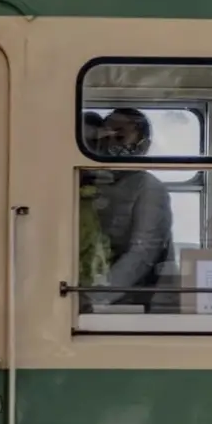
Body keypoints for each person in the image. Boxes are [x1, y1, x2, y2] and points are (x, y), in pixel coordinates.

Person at [78, 108, 173, 310]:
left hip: (130, 301)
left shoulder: (149, 188)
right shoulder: (93, 183)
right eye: (106, 137)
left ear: (144, 145)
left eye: (120, 136)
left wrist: (95, 297)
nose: (111, 144)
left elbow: (142, 253)